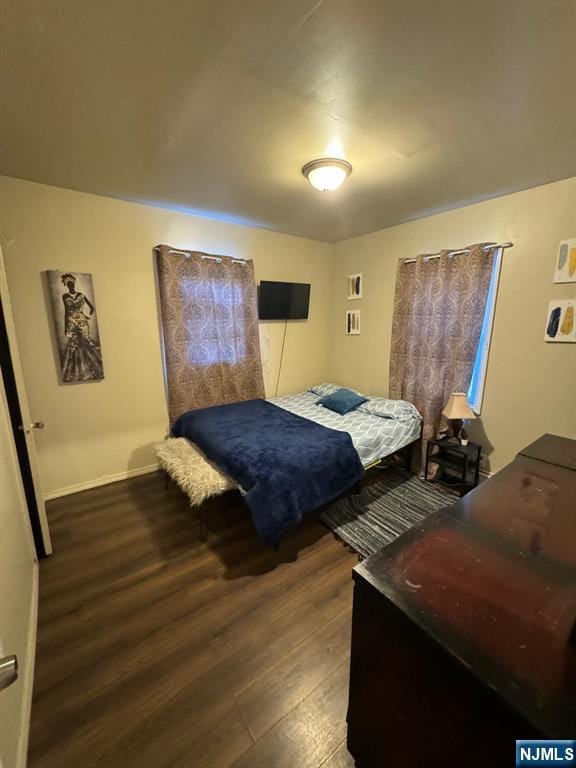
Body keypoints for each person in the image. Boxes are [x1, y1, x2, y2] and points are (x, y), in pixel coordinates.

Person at [60, 273, 104, 381]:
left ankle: (90, 368)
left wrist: (85, 314)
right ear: (66, 285)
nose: (71, 285)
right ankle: (77, 371)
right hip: (71, 322)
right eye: (69, 284)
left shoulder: (81, 294)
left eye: (72, 283)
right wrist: (66, 325)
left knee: (85, 342)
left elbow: (92, 307)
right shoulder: (65, 296)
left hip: (82, 322)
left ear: (74, 284)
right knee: (74, 345)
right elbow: (66, 311)